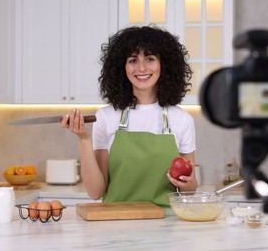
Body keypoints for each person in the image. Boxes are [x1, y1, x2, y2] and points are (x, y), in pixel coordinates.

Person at [61, 25, 197, 207]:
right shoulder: (106, 117)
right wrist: (84, 139)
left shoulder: (181, 119)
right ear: (122, 67)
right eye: (133, 60)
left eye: (150, 59)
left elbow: (191, 189)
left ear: (164, 65)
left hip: (165, 225)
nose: (141, 68)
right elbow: (95, 192)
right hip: (116, 224)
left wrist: (186, 184)